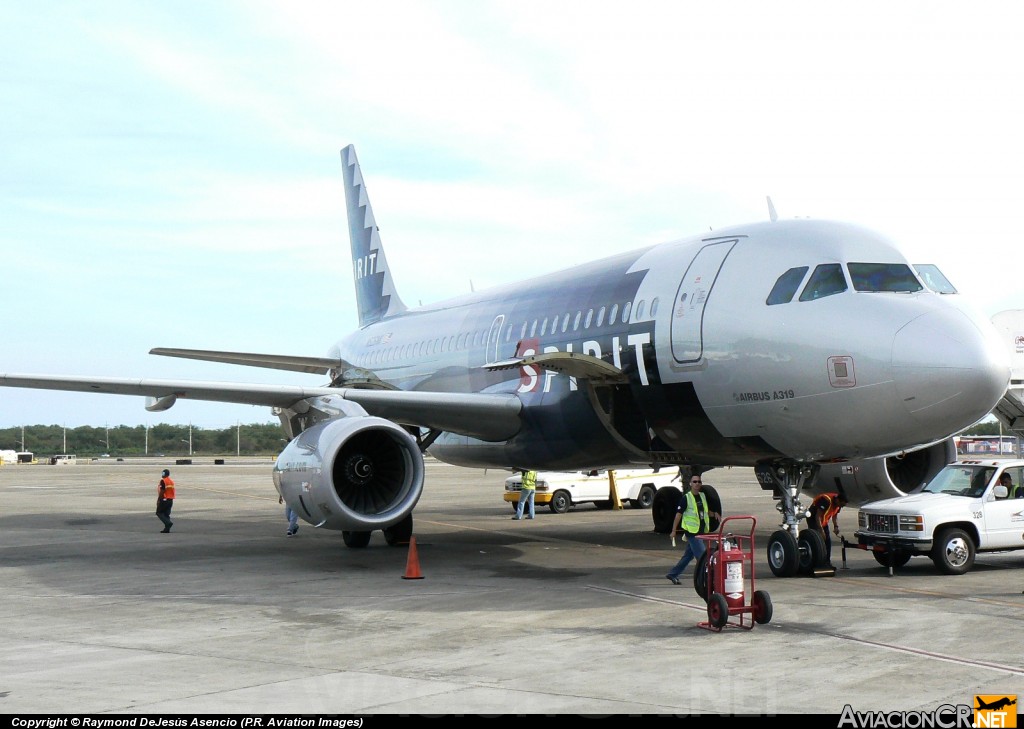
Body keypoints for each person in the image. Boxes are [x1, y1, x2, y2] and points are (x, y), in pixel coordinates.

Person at [665, 474, 720, 584]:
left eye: (699, 482)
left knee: (688, 557)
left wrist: (714, 514)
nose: (697, 484)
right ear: (690, 484)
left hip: (700, 531)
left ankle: (672, 574)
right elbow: (678, 514)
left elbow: (704, 512)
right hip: (692, 532)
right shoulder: (687, 498)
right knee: (703, 557)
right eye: (694, 482)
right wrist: (674, 530)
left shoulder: (702, 496)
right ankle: (707, 581)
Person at [806, 491, 847, 565]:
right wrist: (821, 531)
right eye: (841, 505)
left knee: (827, 541)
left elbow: (834, 516)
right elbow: (817, 516)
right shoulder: (826, 501)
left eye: (842, 506)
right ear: (838, 500)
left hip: (823, 521)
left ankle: (827, 561)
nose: (841, 507)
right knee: (816, 540)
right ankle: (815, 561)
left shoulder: (839, 504)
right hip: (814, 520)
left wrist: (836, 526)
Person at [156, 468, 175, 533]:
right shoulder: (171, 481)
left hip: (164, 499)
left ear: (164, 474)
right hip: (170, 500)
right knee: (166, 514)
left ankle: (168, 523)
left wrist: (159, 499)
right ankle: (167, 529)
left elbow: (162, 491)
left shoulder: (163, 481)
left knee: (159, 512)